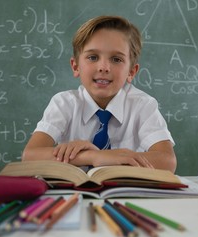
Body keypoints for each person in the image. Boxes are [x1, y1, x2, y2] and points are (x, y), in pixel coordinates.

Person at [22, 15, 177, 173]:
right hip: (73, 193)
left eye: (116, 59)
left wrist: (102, 155)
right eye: (93, 57)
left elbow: (167, 162)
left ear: (131, 72)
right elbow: (30, 155)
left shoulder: (142, 105)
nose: (104, 67)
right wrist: (93, 157)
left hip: (123, 194)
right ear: (76, 67)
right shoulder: (64, 103)